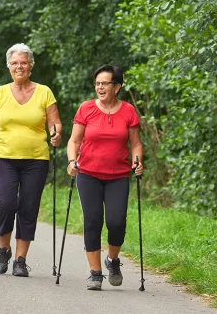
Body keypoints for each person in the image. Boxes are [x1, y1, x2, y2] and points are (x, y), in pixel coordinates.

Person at [0, 43, 61, 277]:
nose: (19, 67)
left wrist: (56, 134)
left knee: (28, 207)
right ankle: (3, 249)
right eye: (15, 63)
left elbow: (54, 122)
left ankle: (20, 259)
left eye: (23, 62)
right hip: (5, 157)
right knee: (5, 204)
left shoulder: (44, 92)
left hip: (36, 159)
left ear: (31, 66)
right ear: (9, 66)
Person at [65, 64, 144, 290]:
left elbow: (136, 144)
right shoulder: (86, 108)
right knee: (92, 221)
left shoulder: (128, 111)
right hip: (88, 174)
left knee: (116, 222)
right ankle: (95, 273)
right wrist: (72, 161)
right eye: (97, 83)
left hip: (118, 175)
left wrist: (137, 162)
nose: (100, 87)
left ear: (117, 87)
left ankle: (112, 260)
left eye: (105, 83)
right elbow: (74, 141)